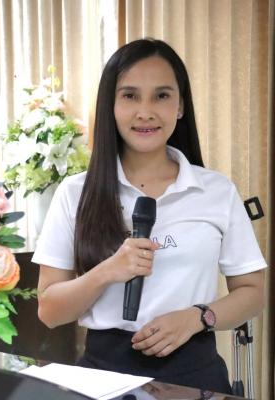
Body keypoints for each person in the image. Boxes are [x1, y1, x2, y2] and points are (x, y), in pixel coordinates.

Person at [32, 38, 267, 394]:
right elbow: (49, 311)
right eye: (130, 96)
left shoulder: (216, 191)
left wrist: (198, 317)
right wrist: (108, 270)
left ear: (180, 106)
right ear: (111, 105)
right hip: (103, 376)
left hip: (194, 373)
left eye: (161, 96)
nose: (145, 111)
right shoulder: (75, 192)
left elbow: (253, 292)